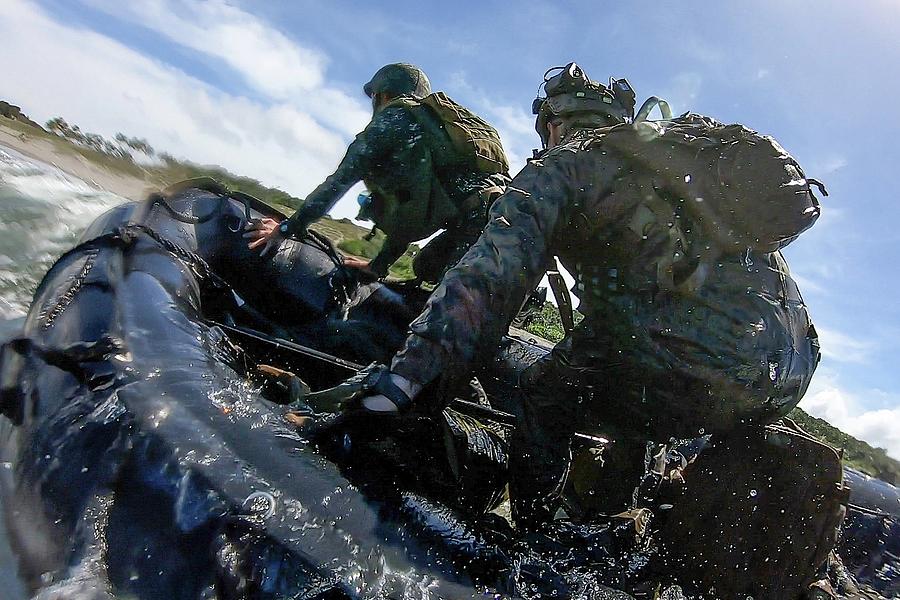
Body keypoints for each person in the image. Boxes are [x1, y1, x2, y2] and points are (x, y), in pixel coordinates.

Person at [348, 63, 821, 529]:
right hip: (790, 371)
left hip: (691, 353)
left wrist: (406, 385)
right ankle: (609, 520)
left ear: (552, 124)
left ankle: (532, 533)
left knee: (545, 392)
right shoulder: (679, 173)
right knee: (630, 402)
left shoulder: (562, 165)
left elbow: (487, 280)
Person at [245, 63, 510, 283]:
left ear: (382, 95)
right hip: (506, 219)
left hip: (484, 225)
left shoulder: (393, 120)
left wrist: (287, 228)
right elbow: (412, 209)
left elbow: (339, 182)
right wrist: (379, 266)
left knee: (448, 316)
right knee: (427, 267)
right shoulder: (432, 132)